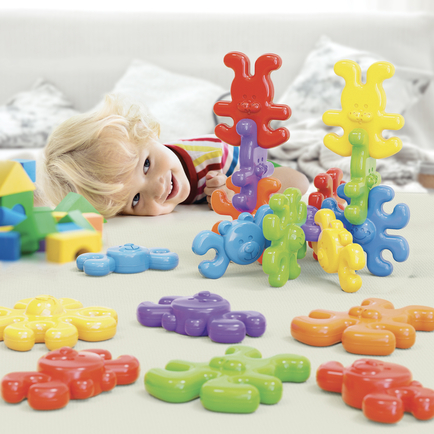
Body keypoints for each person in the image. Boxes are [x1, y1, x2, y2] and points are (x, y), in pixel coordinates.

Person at [40, 94, 309, 219]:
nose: (157, 188)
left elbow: (299, 182)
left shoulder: (216, 157)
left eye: (146, 165)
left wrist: (240, 189)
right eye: (135, 199)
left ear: (146, 132)